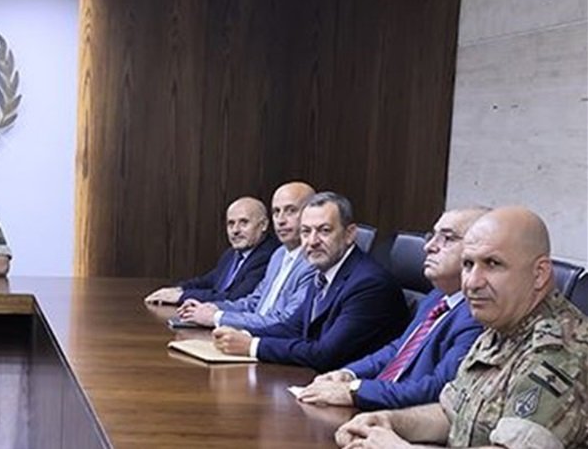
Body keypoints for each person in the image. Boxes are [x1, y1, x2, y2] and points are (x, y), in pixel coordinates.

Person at [335, 207, 588, 448]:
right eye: (468, 264)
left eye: (493, 264)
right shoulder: (501, 325)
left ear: (539, 274)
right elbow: (451, 413)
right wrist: (390, 421)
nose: (473, 282)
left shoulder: (561, 349)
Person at [298, 207, 487, 411]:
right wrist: (348, 374)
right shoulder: (436, 297)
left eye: (447, 239)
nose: (429, 247)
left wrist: (355, 391)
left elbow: (438, 390)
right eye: (432, 236)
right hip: (379, 404)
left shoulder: (476, 316)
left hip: (403, 416)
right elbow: (398, 350)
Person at [212, 192, 409, 372]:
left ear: (349, 234)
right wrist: (243, 335)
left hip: (351, 387)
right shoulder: (323, 272)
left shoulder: (369, 284)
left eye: (324, 231)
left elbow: (325, 354)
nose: (312, 241)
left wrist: (254, 346)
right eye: (306, 232)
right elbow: (292, 328)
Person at [175, 182, 318, 328]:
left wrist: (217, 317)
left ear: (312, 214)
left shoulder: (313, 262)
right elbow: (254, 302)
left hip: (267, 339)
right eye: (276, 212)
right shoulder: (279, 254)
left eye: (291, 211)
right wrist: (213, 308)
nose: (281, 220)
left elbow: (285, 322)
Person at [145, 196, 280, 305]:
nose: (235, 230)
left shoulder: (268, 256)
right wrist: (177, 289)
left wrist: (183, 296)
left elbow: (235, 298)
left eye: (244, 222)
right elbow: (207, 281)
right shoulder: (232, 254)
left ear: (263, 225)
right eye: (231, 223)